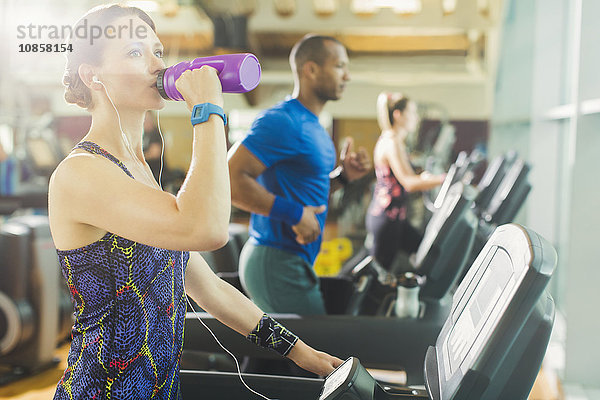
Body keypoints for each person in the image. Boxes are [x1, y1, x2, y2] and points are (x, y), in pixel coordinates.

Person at [48, 5, 341, 399]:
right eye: (135, 52)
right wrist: (208, 110)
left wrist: (299, 351)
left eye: (158, 51)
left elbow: (208, 287)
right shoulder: (81, 173)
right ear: (92, 75)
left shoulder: (138, 172)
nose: (156, 64)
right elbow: (206, 229)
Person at [228, 34, 371, 315]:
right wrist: (294, 214)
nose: (348, 76)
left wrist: (342, 178)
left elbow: (301, 190)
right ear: (311, 69)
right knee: (317, 352)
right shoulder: (283, 121)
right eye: (340, 66)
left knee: (288, 357)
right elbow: (230, 181)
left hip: (292, 260)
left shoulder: (313, 125)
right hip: (276, 261)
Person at [365, 92, 446, 271]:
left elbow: (408, 176)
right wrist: (442, 179)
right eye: (412, 113)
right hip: (387, 219)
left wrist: (425, 178)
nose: (416, 118)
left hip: (396, 218)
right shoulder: (392, 142)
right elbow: (408, 182)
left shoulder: (394, 141)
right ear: (398, 115)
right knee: (376, 276)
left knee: (426, 255)